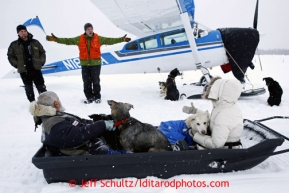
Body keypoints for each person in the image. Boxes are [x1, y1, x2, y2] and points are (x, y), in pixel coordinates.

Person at [46, 23, 131, 104]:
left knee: (96, 81)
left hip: (96, 64)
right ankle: (89, 98)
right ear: (85, 31)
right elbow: (68, 41)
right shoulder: (80, 39)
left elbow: (110, 40)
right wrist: (56, 39)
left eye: (91, 29)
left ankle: (97, 97)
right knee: (86, 82)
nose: (90, 31)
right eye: (88, 29)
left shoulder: (98, 38)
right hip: (85, 64)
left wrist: (121, 39)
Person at [29, 91, 129, 156]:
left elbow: (79, 122)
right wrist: (102, 125)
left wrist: (101, 123)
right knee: (126, 156)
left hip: (91, 144)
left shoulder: (56, 115)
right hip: (87, 151)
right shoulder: (54, 124)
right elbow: (78, 135)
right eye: (58, 99)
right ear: (56, 103)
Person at [182, 77, 243, 149]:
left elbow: (215, 145)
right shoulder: (227, 106)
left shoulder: (224, 115)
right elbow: (214, 120)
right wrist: (196, 111)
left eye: (212, 89)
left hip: (225, 151)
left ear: (219, 92)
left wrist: (195, 135)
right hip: (224, 144)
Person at [7, 25, 47, 102]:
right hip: (24, 71)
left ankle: (45, 103)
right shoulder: (14, 45)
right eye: (21, 31)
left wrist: (41, 62)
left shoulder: (35, 42)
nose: (24, 33)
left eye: (25, 31)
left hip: (36, 69)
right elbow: (10, 56)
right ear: (18, 33)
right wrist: (17, 65)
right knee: (29, 88)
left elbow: (42, 52)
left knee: (41, 87)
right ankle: (33, 104)